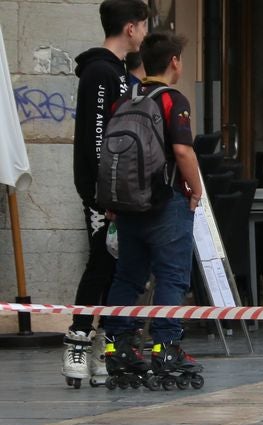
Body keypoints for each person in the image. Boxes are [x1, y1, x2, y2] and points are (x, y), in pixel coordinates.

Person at [102, 31, 205, 384]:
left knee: (128, 277)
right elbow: (182, 151)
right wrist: (196, 189)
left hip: (128, 205)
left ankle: (118, 346)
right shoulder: (172, 100)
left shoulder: (124, 100)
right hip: (165, 203)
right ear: (174, 62)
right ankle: (165, 346)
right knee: (172, 277)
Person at [63, 0, 148, 388]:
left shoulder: (121, 73)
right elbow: (97, 138)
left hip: (122, 192)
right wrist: (105, 194)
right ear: (130, 28)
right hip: (104, 193)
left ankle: (102, 345)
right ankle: (78, 339)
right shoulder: (100, 72)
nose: (145, 33)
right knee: (100, 262)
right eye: (144, 25)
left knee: (117, 267)